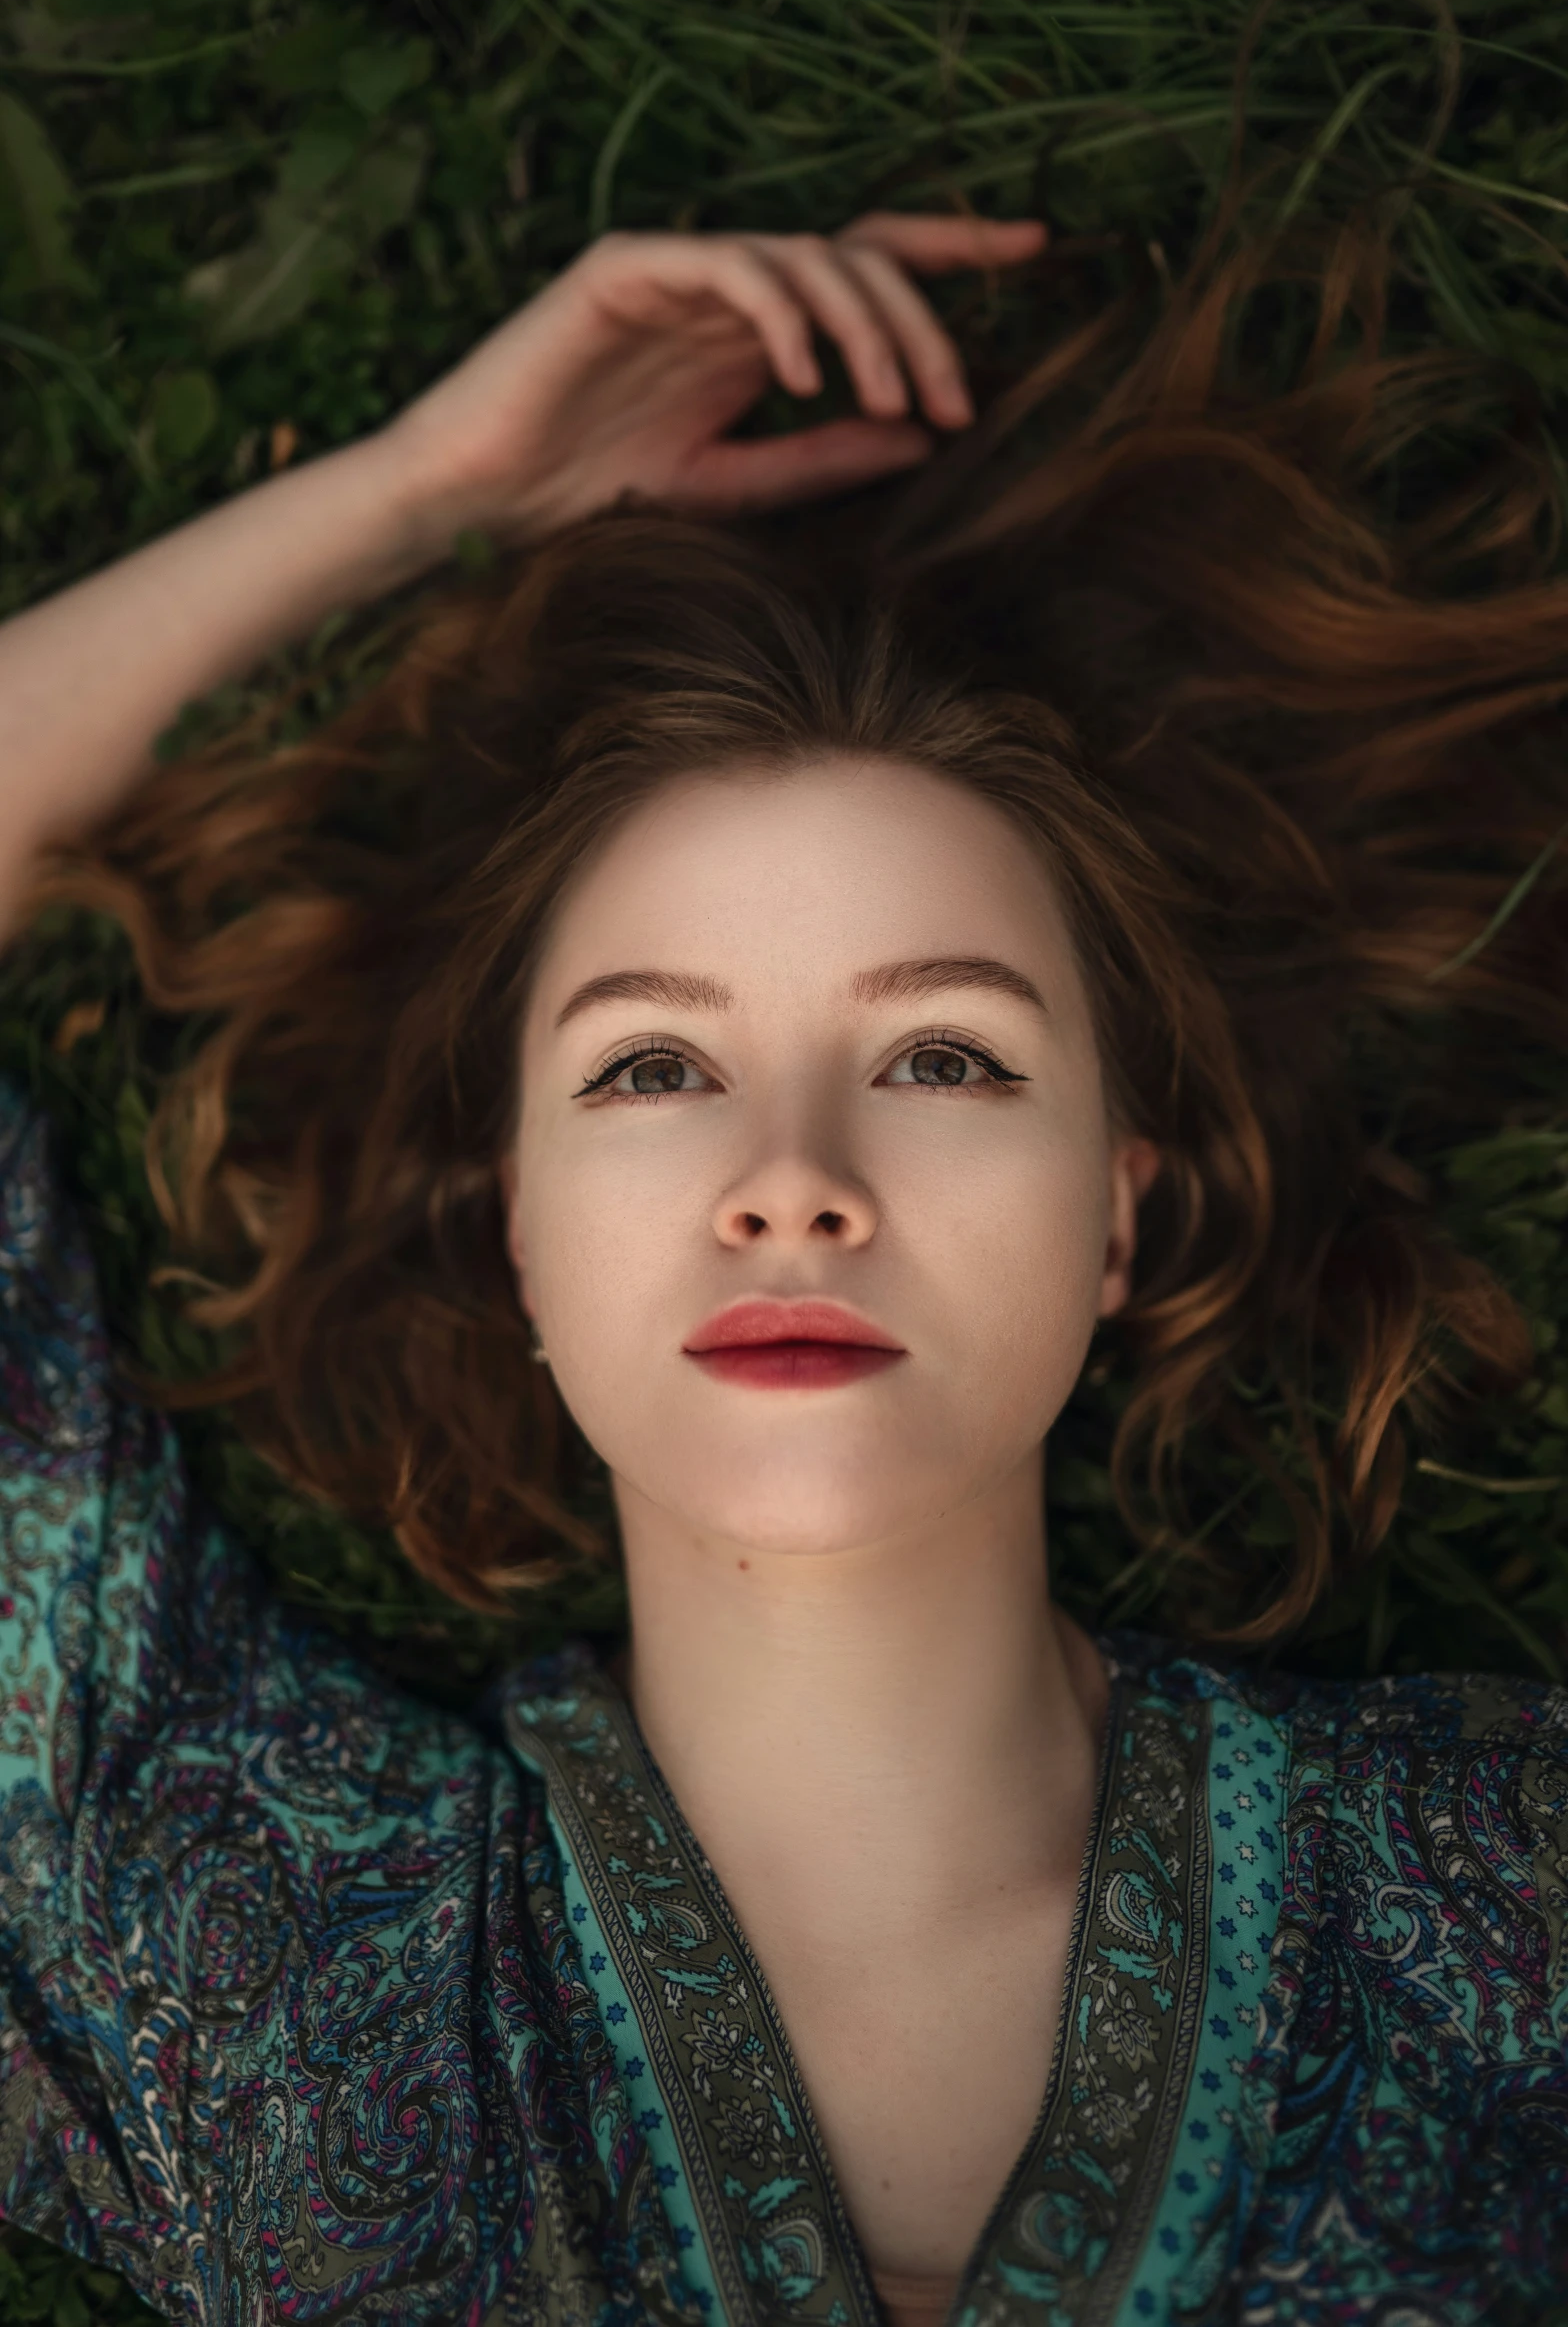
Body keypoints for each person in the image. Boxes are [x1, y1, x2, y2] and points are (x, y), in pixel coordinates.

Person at [0, 206, 1565, 2327]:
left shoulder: (1508, 1885)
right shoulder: (248, 1941)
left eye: (939, 1053)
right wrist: (423, 496)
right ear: (514, 1222)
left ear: (1119, 1206)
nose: (794, 1181)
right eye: (654, 1063)